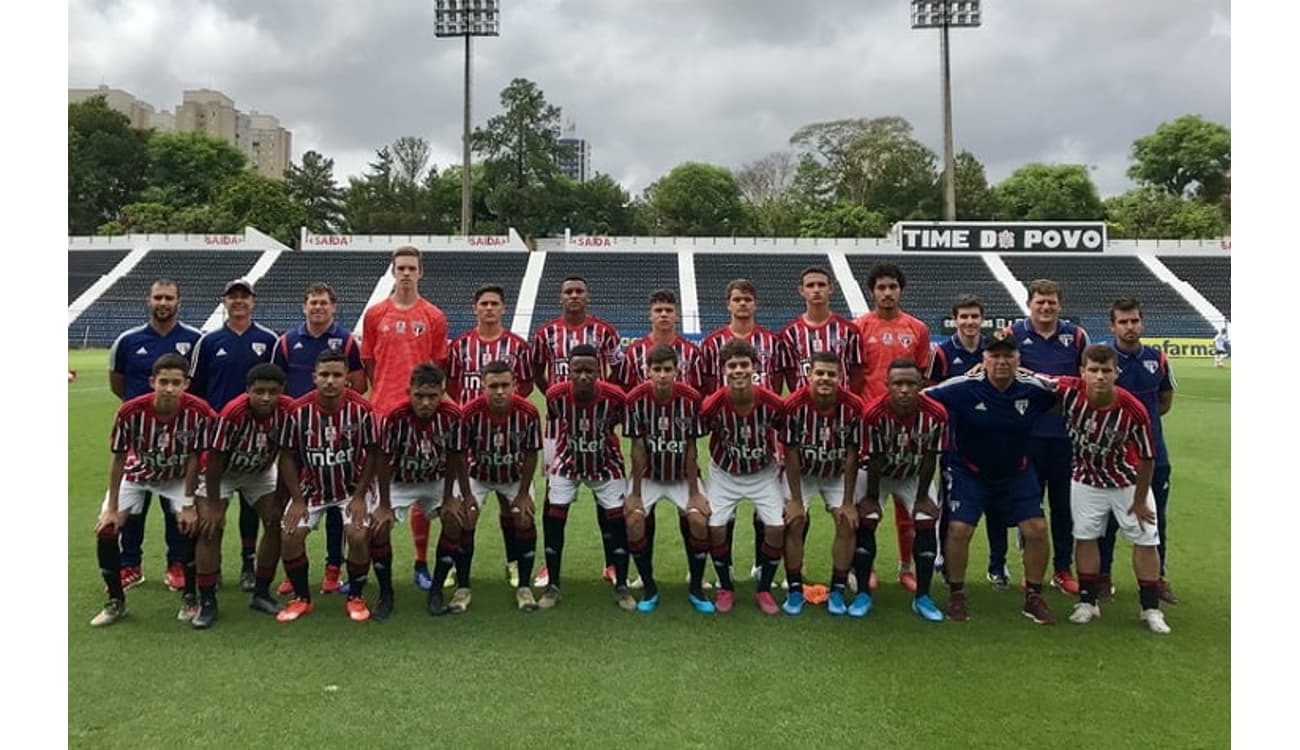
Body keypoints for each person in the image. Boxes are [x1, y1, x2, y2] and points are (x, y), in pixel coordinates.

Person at [923, 331, 1060, 625]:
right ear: (983, 359)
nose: (1001, 362)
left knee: (1036, 529)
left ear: (1018, 359)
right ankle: (957, 593)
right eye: (994, 356)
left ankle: (1033, 596)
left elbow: (1066, 395)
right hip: (968, 470)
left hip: (1017, 471)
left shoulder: (1034, 389)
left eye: (1008, 356)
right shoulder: (962, 387)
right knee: (959, 529)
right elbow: (922, 400)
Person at [1053, 345, 1171, 634]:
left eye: (1106, 371)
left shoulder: (1133, 409)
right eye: (1093, 370)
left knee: (1145, 539)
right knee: (1085, 536)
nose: (1100, 377)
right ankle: (1087, 602)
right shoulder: (1066, 390)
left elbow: (1147, 457)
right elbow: (1030, 377)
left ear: (1116, 373)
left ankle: (1150, 608)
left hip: (1126, 481)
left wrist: (1141, 499)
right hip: (1085, 479)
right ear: (1082, 372)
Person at [91, 354, 212, 627]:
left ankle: (190, 596)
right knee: (106, 529)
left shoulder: (199, 411)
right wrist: (111, 507)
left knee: (191, 525)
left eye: (175, 382)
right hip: (138, 474)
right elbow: (119, 458)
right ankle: (115, 600)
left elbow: (195, 458)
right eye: (163, 382)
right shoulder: (130, 412)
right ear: (152, 382)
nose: (169, 388)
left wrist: (189, 504)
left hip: (178, 476)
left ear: (186, 384)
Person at [361, 246, 450, 592]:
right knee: (376, 492)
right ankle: (368, 566)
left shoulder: (433, 316)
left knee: (422, 483)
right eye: (401, 267)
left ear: (420, 272)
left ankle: (420, 563)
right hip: (383, 411)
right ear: (393, 271)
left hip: (422, 415)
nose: (407, 273)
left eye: (412, 268)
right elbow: (370, 362)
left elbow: (437, 366)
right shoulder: (375, 315)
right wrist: (386, 391)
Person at [271, 282, 367, 597]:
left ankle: (332, 567)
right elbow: (276, 384)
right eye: (313, 302)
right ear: (304, 306)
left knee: (338, 498)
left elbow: (359, 383)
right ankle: (293, 573)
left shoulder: (346, 341)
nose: (318, 307)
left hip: (337, 433)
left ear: (334, 306)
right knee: (292, 497)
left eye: (323, 303)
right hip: (299, 430)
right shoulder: (287, 341)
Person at [529, 276, 626, 588]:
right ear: (561, 297)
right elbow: (534, 370)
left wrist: (604, 397)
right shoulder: (545, 333)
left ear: (587, 296)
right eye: (568, 291)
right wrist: (554, 395)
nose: (573, 296)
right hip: (559, 420)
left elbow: (619, 368)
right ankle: (549, 564)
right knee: (555, 492)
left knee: (605, 491)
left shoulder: (604, 332)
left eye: (579, 291)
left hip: (597, 420)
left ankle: (612, 562)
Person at [107, 279, 202, 593]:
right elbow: (117, 383)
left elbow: (196, 384)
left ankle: (176, 564)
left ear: (179, 301)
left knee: (174, 505)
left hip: (180, 434)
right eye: (158, 297)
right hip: (139, 434)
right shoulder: (128, 340)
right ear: (148, 300)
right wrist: (139, 412)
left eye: (169, 298)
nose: (164, 303)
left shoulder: (194, 339)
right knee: (133, 506)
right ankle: (130, 564)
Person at [275, 350, 383, 623]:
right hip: (312, 487)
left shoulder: (362, 409)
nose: (330, 381)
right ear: (314, 377)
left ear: (347, 378)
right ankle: (302, 598)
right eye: (324, 375)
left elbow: (373, 452)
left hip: (352, 487)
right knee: (289, 535)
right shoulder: (298, 411)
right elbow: (286, 456)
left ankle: (355, 596)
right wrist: (297, 500)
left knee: (357, 535)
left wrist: (360, 496)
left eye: (337, 375)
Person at [698, 279, 793, 584]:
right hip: (726, 443)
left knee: (770, 518)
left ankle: (760, 570)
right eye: (737, 299)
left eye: (747, 299)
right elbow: (703, 391)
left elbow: (781, 385)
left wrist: (777, 444)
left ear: (755, 303)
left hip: (763, 442)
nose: (742, 304)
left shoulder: (773, 341)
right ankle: (723, 576)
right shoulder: (712, 343)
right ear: (728, 303)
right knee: (721, 518)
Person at [192, 363, 294, 628]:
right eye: (259, 391)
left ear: (282, 391)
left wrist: (281, 499)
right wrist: (213, 504)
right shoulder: (233, 411)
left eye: (272, 391)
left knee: (277, 523)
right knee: (210, 527)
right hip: (222, 473)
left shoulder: (288, 411)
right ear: (248, 390)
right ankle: (207, 600)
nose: (266, 398)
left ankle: (261, 592)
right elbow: (214, 460)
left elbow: (286, 458)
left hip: (259, 472)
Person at [446, 284, 535, 588]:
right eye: (483, 303)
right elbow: (453, 386)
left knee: (510, 507)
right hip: (470, 435)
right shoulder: (459, 346)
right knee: (463, 509)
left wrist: (503, 410)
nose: (488, 308)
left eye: (494, 303)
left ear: (503, 308)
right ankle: (456, 568)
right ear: (475, 308)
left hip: (508, 437)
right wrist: (472, 410)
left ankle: (513, 563)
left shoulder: (518, 347)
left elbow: (524, 387)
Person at [853, 262, 931, 593]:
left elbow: (923, 377)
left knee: (908, 506)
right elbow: (856, 377)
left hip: (909, 428)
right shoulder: (858, 327)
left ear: (901, 290)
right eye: (881, 287)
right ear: (872, 291)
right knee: (868, 505)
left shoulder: (917, 329)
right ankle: (865, 567)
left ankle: (906, 567)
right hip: (870, 426)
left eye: (893, 287)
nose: (887, 293)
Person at [1007, 279, 1089, 595]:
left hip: (1066, 437)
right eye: (1040, 301)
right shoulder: (1015, 334)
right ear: (1029, 304)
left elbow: (1085, 377)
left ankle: (1062, 568)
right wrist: (1049, 385)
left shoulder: (1076, 336)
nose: (1046, 306)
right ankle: (1032, 570)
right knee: (1030, 506)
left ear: (1060, 304)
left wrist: (1050, 383)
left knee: (1064, 507)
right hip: (1028, 435)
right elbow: (1009, 376)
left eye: (1051, 301)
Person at [853, 358, 948, 622]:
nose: (904, 389)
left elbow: (931, 457)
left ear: (922, 384)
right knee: (867, 519)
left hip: (913, 473)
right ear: (887, 385)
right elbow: (874, 459)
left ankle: (924, 597)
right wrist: (871, 498)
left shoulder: (936, 413)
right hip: (876, 475)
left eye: (910, 383)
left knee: (926, 520)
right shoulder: (873, 414)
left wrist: (921, 498)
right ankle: (862, 593)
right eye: (898, 383)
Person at [537, 345, 630, 610]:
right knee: (553, 518)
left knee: (617, 521)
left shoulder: (614, 397)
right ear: (569, 371)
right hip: (568, 462)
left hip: (606, 464)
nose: (584, 376)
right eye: (578, 370)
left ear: (599, 371)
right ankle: (553, 584)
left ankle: (621, 584)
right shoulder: (555, 395)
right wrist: (549, 464)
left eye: (590, 370)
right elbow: (555, 424)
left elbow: (623, 425)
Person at [1098, 297, 1177, 604]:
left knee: (1156, 519)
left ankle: (1156, 578)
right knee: (1106, 520)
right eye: (1123, 321)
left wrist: (1145, 426)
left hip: (1154, 454)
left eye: (1134, 321)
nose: (1129, 327)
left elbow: (1165, 400)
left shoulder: (1157, 358)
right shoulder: (1104, 358)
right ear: (1112, 325)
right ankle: (1103, 576)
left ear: (1142, 323)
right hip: (1111, 455)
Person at [928, 294, 1011, 590]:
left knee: (998, 508)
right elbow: (931, 392)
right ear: (955, 319)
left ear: (982, 318)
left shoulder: (993, 349)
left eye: (974, 316)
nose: (970, 322)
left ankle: (998, 564)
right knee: (950, 506)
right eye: (964, 316)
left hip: (996, 439)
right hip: (955, 440)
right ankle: (943, 557)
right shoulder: (942, 353)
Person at [623, 344, 710, 613]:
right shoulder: (635, 399)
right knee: (635, 520)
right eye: (657, 370)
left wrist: (695, 492)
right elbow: (637, 448)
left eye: (667, 370)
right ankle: (649, 587)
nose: (662, 375)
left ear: (677, 370)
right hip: (649, 476)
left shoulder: (690, 398)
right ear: (647, 371)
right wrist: (635, 493)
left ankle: (696, 587)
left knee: (698, 519)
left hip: (682, 476)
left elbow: (692, 447)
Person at [377, 363, 468, 619]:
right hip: (400, 480)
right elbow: (383, 461)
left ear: (442, 393)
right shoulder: (395, 417)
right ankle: (386, 593)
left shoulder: (452, 415)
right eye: (419, 396)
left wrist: (450, 497)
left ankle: (436, 590)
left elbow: (454, 455)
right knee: (379, 528)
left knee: (454, 521)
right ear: (409, 392)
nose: (426, 403)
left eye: (432, 396)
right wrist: (384, 505)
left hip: (435, 478)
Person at [779, 352, 863, 616]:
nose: (825, 378)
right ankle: (794, 588)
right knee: (794, 521)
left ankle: (837, 589)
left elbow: (852, 455)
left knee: (847, 521)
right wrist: (795, 499)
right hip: (801, 473)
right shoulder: (793, 406)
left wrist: (849, 502)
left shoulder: (853, 406)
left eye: (831, 374)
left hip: (836, 473)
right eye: (820, 373)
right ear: (809, 375)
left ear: (840, 377)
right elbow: (790, 454)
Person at [459, 360, 543, 611]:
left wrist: (523, 493)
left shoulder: (528, 412)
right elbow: (460, 454)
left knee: (525, 516)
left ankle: (524, 587)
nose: (499, 391)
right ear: (482, 386)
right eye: (493, 385)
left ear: (515, 385)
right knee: (464, 517)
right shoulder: (469, 412)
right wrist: (465, 494)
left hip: (514, 475)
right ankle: (463, 587)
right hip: (478, 474)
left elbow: (530, 453)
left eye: (505, 385)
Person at [620, 289, 703, 390]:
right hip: (644, 405)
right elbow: (626, 390)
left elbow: (699, 390)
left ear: (677, 316)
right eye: (658, 310)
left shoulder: (692, 352)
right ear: (650, 316)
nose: (664, 314)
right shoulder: (632, 353)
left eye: (669, 310)